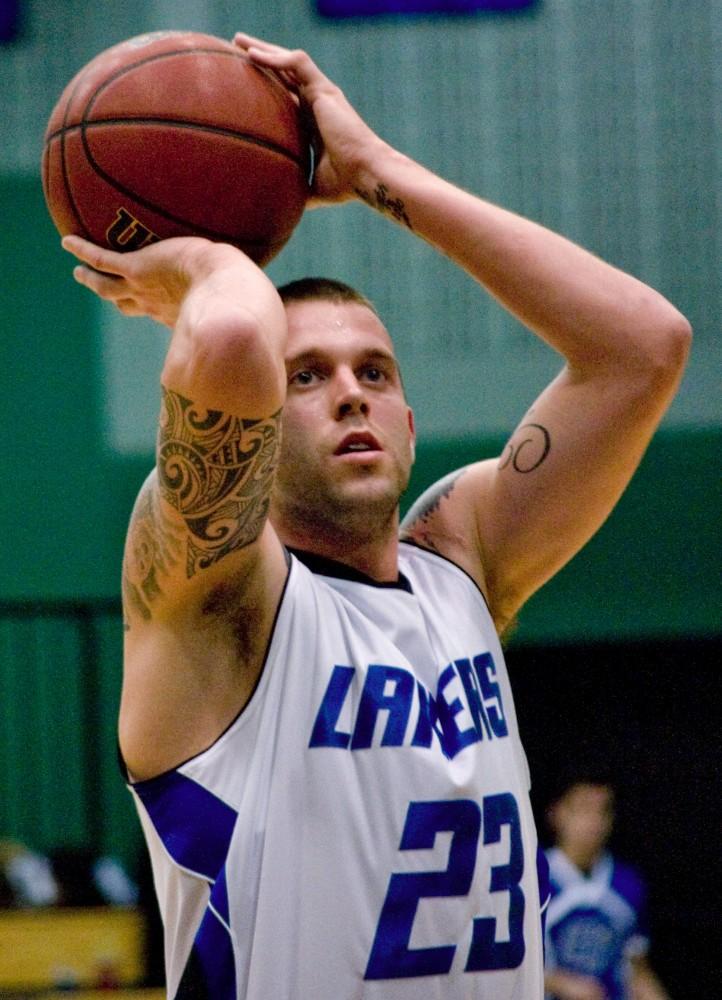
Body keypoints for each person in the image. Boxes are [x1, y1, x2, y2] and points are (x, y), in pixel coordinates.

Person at [60, 34, 690, 1000]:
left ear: (408, 420)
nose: (350, 393)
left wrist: (380, 172)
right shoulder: (222, 602)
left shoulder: (465, 564)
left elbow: (643, 345)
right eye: (305, 375)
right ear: (261, 421)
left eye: (375, 372)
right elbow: (229, 333)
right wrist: (204, 266)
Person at [543, 777, 672, 1000]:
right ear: (557, 812)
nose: (594, 821)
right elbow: (503, 966)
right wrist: (559, 982)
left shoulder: (628, 883)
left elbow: (636, 968)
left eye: (603, 811)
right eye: (583, 809)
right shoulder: (533, 879)